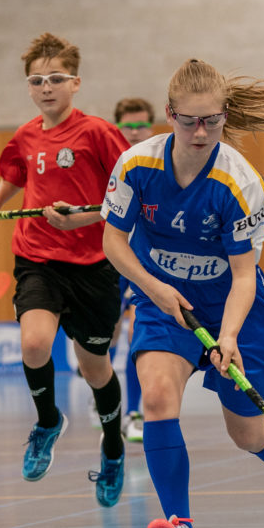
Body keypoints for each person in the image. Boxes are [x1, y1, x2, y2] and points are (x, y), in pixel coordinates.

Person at [100, 58, 264, 528]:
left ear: (224, 116)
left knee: (244, 433)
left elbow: (246, 276)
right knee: (155, 396)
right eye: (189, 121)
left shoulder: (240, 182)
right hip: (163, 302)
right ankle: (181, 527)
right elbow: (113, 240)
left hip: (237, 312)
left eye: (212, 121)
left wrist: (227, 338)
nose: (201, 133)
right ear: (169, 114)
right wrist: (155, 288)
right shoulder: (136, 166)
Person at [0, 32, 131, 507]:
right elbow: (16, 173)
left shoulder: (98, 132)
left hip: (95, 264)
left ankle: (115, 449)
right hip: (38, 257)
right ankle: (47, 422)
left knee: (94, 367)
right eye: (37, 80)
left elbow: (128, 190)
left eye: (56, 78)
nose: (46, 87)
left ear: (75, 83)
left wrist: (85, 216)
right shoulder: (26, 135)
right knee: (35, 343)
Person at [112, 96, 157, 443]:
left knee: (133, 333)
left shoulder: (161, 161)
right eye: (128, 125)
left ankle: (134, 412)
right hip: (107, 258)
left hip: (142, 259)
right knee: (109, 334)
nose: (135, 131)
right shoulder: (108, 159)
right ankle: (104, 396)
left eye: (141, 124)